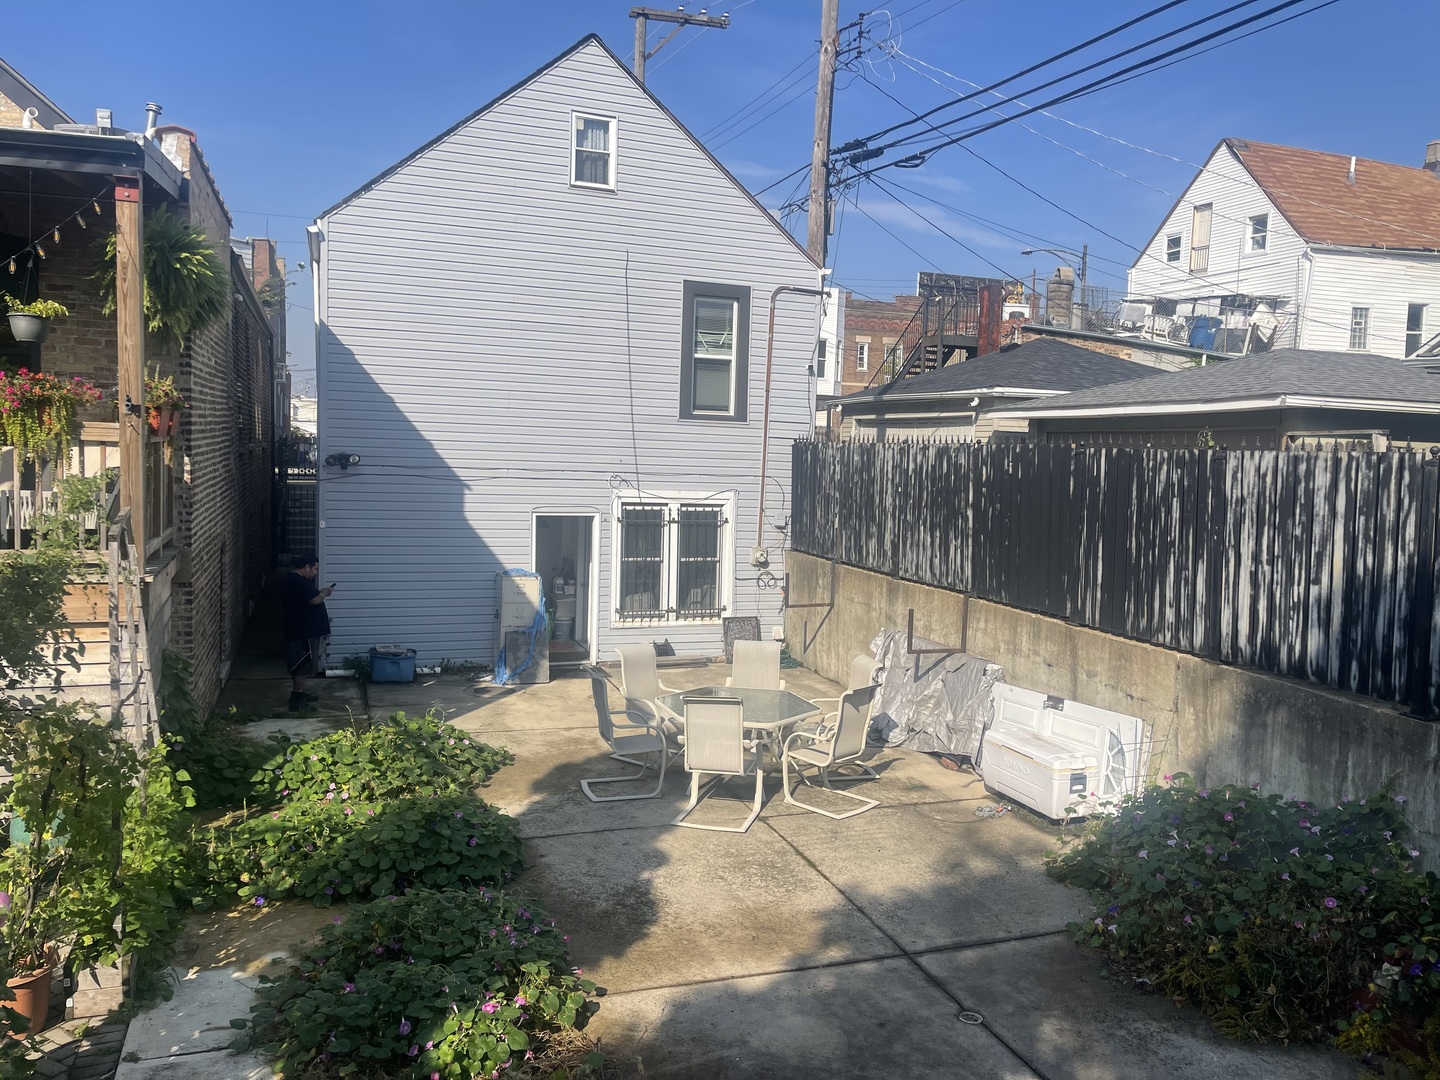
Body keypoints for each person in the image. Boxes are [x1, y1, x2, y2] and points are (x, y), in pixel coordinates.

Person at [281, 554, 334, 712]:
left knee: (304, 663)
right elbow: (314, 600)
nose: (315, 573)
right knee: (301, 663)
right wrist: (325, 592)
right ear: (306, 567)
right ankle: (297, 699)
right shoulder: (296, 581)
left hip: (304, 629)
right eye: (315, 569)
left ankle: (300, 693)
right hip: (302, 631)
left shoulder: (300, 581)